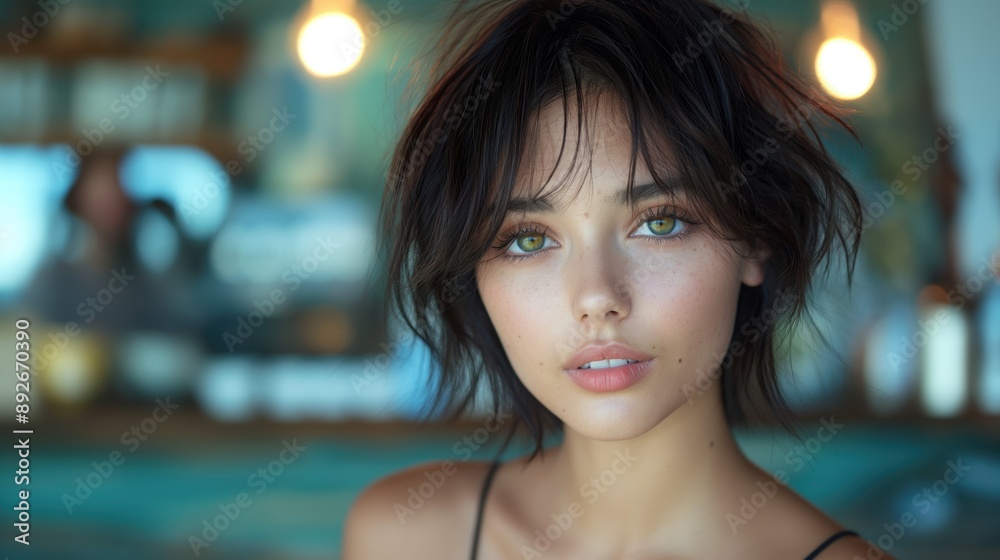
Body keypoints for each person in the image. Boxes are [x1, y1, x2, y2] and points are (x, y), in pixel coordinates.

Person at [345, 0, 887, 558]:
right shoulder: (405, 537)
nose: (597, 297)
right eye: (529, 238)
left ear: (753, 240)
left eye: (659, 223)